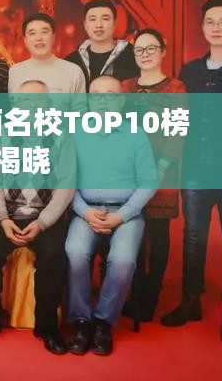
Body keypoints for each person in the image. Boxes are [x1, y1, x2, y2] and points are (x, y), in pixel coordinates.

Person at [0, 80, 76, 355]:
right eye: (25, 100)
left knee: (53, 258)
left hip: (45, 216)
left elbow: (66, 186)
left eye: (38, 100)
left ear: (48, 104)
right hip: (9, 214)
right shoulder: (3, 134)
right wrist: (2, 219)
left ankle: (47, 327)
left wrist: (42, 223)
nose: (31, 106)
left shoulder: (62, 136)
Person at [161, 0, 222, 344]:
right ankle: (190, 300)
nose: (216, 28)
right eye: (210, 21)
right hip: (195, 167)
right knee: (193, 238)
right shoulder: (190, 71)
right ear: (202, 27)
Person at [66, 75, 157, 356]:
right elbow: (65, 181)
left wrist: (123, 215)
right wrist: (84, 211)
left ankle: (104, 322)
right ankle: (81, 321)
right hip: (86, 210)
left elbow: (149, 182)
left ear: (121, 100)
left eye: (111, 94)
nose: (103, 101)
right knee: (75, 252)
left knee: (124, 260)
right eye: (97, 95)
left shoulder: (136, 134)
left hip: (125, 213)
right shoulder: (75, 133)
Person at [121, 28, 187, 322]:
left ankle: (151, 296)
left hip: (163, 172)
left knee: (158, 234)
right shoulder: (125, 87)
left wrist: (158, 169)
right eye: (139, 50)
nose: (145, 54)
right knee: (133, 232)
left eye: (151, 48)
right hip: (129, 174)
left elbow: (177, 133)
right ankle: (135, 292)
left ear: (163, 51)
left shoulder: (176, 88)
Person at [8, 13, 86, 112]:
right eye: (32, 33)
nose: (39, 38)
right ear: (25, 41)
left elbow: (80, 114)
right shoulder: (15, 72)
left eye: (44, 32)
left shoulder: (73, 71)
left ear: (53, 37)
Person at [66, 0, 138, 91]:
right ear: (85, 25)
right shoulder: (72, 62)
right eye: (93, 19)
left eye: (105, 19)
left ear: (115, 24)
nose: (99, 25)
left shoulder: (133, 56)